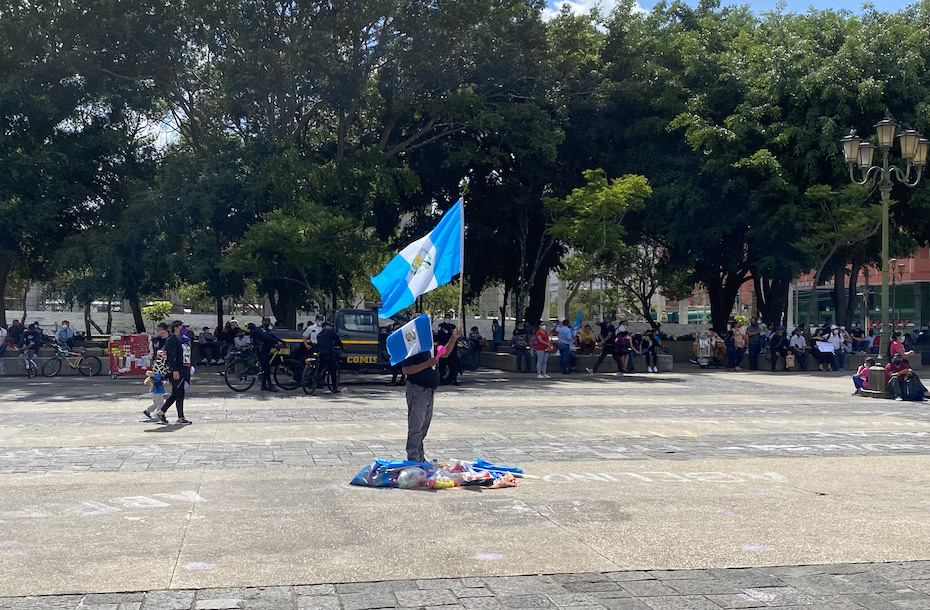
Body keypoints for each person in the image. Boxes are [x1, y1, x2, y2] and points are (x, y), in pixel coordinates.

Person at [401, 325, 462, 462]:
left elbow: (444, 353)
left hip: (429, 391)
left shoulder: (429, 346)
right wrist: (427, 364)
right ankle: (413, 459)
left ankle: (420, 458)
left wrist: (453, 338)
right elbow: (406, 370)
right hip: (417, 389)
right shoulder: (412, 347)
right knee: (416, 427)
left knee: (423, 427)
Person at [153, 320, 192, 425]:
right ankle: (163, 413)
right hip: (177, 370)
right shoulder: (172, 339)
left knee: (178, 393)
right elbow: (170, 356)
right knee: (177, 393)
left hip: (184, 369)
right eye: (182, 327)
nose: (185, 329)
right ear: (176, 327)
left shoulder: (182, 339)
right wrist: (175, 370)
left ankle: (178, 416)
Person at [251, 317, 284, 392]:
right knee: (267, 368)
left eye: (268, 321)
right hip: (260, 350)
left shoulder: (267, 330)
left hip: (266, 350)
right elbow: (266, 338)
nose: (267, 323)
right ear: (262, 322)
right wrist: (276, 342)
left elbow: (272, 336)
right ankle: (269, 385)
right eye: (265, 321)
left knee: (265, 368)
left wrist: (282, 342)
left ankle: (264, 385)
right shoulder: (259, 330)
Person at [315, 320, 343, 390]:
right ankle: (334, 387)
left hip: (320, 353)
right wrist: (342, 346)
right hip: (328, 354)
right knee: (333, 369)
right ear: (326, 326)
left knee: (320, 367)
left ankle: (316, 380)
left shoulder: (319, 334)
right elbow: (337, 340)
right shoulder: (330, 332)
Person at [437, 315, 460, 386]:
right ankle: (440, 380)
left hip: (453, 349)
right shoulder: (440, 326)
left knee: (454, 364)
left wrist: (448, 332)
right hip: (443, 348)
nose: (448, 319)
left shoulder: (453, 326)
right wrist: (449, 333)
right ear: (444, 318)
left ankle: (454, 379)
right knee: (442, 364)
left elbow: (454, 334)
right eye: (447, 318)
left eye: (449, 318)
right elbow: (441, 334)